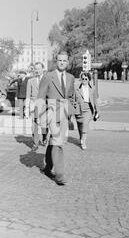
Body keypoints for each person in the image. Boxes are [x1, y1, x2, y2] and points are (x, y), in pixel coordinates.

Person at [37, 51, 75, 186]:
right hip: (52, 112)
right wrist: (39, 116)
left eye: (64, 61)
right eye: (60, 60)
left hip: (64, 113)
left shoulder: (70, 77)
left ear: (68, 62)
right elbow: (41, 97)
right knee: (58, 142)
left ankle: (48, 168)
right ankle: (59, 175)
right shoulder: (48, 76)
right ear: (56, 61)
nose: (62, 63)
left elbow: (71, 96)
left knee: (54, 141)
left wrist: (70, 111)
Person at [25, 62, 48, 151]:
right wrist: (26, 108)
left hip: (44, 105)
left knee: (44, 124)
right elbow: (27, 96)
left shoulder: (47, 80)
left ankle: (45, 137)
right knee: (34, 124)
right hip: (34, 105)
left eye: (39, 68)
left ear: (43, 69)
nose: (37, 70)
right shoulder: (30, 81)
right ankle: (35, 143)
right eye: (35, 69)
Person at [74, 72, 99, 150]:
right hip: (78, 108)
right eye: (83, 79)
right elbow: (72, 98)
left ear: (89, 80)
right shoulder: (76, 87)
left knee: (85, 124)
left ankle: (84, 142)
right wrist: (73, 105)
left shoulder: (92, 88)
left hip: (88, 109)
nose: (84, 80)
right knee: (79, 125)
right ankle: (81, 137)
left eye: (86, 79)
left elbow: (95, 100)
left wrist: (98, 111)